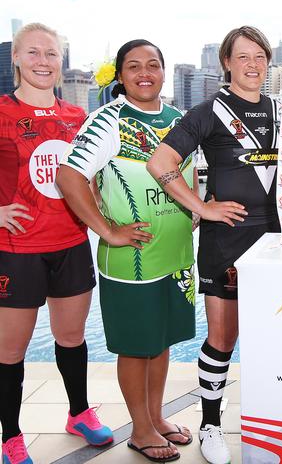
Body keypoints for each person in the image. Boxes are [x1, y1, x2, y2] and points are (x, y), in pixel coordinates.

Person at [147, 25, 282, 464]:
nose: (253, 65)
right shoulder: (207, 111)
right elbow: (161, 163)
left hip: (274, 241)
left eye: (260, 57)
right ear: (227, 63)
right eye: (243, 56)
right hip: (225, 242)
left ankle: (272, 419)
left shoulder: (280, 109)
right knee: (223, 337)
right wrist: (202, 206)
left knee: (274, 336)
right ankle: (210, 426)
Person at [56, 39, 196, 463]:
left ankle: (155, 417)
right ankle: (140, 430)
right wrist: (107, 230)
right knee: (136, 346)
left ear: (164, 72)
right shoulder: (108, 121)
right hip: (132, 259)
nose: (145, 73)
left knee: (163, 340)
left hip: (176, 254)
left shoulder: (178, 120)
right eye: (134, 67)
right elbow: (68, 176)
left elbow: (185, 178)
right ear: (120, 76)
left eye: (153, 64)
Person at [0, 23, 113, 464]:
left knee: (71, 338)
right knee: (10, 350)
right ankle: (11, 435)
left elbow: (90, 181)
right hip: (17, 249)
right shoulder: (3, 111)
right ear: (17, 58)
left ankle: (79, 413)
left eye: (51, 53)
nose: (43, 61)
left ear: (61, 61)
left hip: (69, 243)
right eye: (33, 52)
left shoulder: (76, 118)